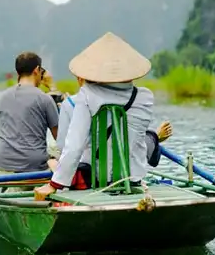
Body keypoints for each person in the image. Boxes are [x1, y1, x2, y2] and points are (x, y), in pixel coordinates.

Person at [34, 32, 172, 201]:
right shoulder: (146, 98)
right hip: (134, 179)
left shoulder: (86, 96)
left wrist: (53, 185)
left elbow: (74, 146)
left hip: (96, 180)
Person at [0, 51, 60, 174]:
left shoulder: (4, 97)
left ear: (18, 72)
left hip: (2, 161)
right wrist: (52, 87)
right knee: (58, 151)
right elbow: (59, 138)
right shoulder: (44, 98)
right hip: (33, 165)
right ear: (37, 70)